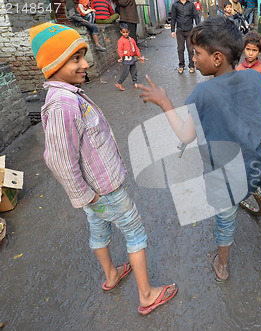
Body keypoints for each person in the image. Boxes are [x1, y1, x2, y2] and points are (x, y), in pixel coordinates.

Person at [29, 22, 177, 315]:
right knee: (133, 230)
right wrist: (87, 197)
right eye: (75, 58)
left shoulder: (69, 96)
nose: (86, 63)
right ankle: (147, 294)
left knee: (98, 229)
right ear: (54, 63)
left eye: (83, 55)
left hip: (95, 194)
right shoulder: (62, 105)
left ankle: (111, 275)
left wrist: (88, 199)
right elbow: (58, 160)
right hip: (103, 190)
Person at [136, 16, 261, 282]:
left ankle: (222, 265)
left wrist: (165, 103)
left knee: (225, 221)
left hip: (225, 180)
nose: (193, 58)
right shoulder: (256, 77)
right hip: (258, 165)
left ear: (217, 58)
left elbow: (186, 134)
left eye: (196, 53)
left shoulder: (202, 94)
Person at [237, 31, 261, 98]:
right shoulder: (239, 69)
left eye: (254, 50)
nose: (250, 53)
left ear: (259, 52)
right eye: (248, 49)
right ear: (244, 49)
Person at [171, 0, 200, 74]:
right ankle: (181, 65)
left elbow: (196, 16)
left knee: (190, 49)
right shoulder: (175, 5)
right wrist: (172, 30)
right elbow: (173, 17)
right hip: (180, 31)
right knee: (180, 49)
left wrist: (198, 28)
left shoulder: (191, 5)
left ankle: (191, 66)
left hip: (189, 31)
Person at [115, 23, 144, 91]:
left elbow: (136, 48)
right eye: (124, 32)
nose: (125, 34)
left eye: (127, 32)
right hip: (126, 58)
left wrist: (139, 56)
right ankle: (119, 83)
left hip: (132, 57)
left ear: (129, 31)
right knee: (125, 72)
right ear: (121, 32)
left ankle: (135, 82)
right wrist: (121, 57)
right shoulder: (121, 41)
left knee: (134, 71)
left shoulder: (132, 40)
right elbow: (120, 49)